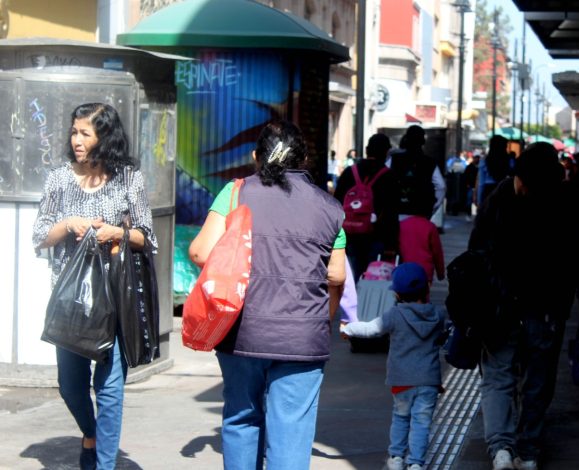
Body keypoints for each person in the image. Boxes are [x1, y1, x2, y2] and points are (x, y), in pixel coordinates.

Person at [188, 120, 346, 470]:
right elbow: (337, 273)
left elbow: (201, 252)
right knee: (291, 429)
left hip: (242, 329)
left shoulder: (236, 192)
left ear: (257, 156)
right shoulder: (330, 207)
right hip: (303, 337)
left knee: (241, 417)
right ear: (303, 160)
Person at [32, 102, 157, 470]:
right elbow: (40, 236)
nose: (77, 140)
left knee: (110, 388)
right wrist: (69, 223)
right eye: (74, 132)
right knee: (70, 385)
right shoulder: (58, 179)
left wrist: (116, 231)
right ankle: (90, 432)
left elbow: (148, 237)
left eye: (85, 132)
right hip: (70, 300)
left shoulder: (129, 179)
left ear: (105, 137)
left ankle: (104, 464)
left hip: (115, 298)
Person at [468, 142, 579, 470]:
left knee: (499, 375)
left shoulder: (501, 197)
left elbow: (477, 248)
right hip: (547, 307)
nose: (518, 183)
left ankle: (502, 448)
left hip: (503, 304)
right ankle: (529, 450)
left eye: (521, 178)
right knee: (538, 377)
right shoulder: (567, 200)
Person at [341, 263, 446, 470]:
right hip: (428, 381)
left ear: (397, 294)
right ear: (426, 288)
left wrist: (349, 328)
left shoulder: (395, 315)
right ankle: (416, 463)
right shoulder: (438, 315)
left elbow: (371, 329)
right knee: (422, 422)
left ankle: (396, 458)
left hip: (401, 380)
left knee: (400, 417)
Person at [334, 133, 400, 282]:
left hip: (349, 234)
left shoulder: (349, 172)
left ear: (366, 149)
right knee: (372, 275)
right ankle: (367, 301)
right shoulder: (389, 177)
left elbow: (336, 203)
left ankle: (353, 302)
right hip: (377, 235)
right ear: (386, 153)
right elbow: (391, 212)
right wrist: (392, 243)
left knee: (351, 274)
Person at [388, 125, 446, 224]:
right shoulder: (429, 163)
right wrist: (432, 208)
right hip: (420, 215)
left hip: (396, 214)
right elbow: (441, 186)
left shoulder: (393, 160)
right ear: (423, 142)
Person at [398, 197, 445, 286]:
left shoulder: (402, 225)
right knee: (423, 296)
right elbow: (437, 253)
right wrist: (440, 273)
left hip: (404, 269)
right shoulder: (430, 227)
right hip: (424, 271)